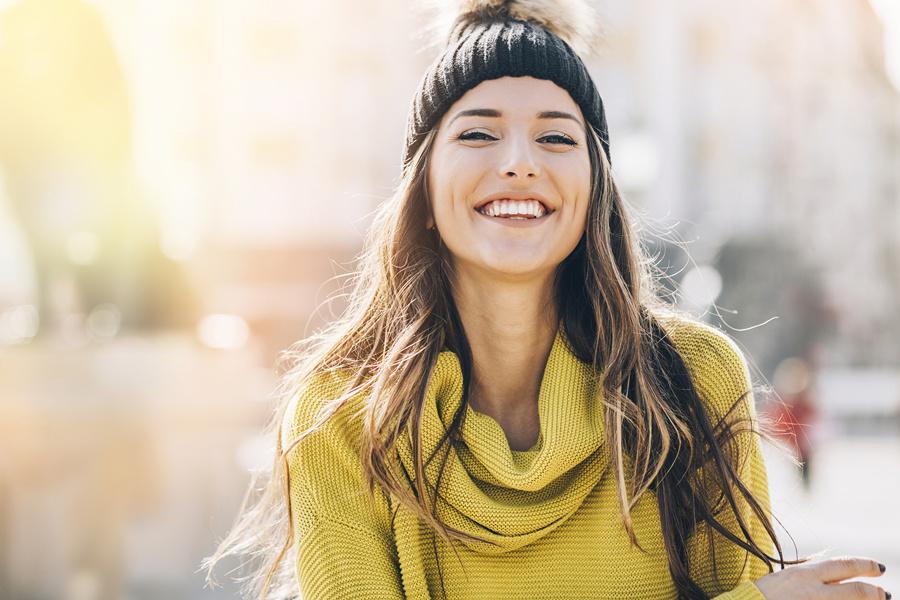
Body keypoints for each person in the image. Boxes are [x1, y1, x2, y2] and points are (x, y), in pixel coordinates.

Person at [203, 1, 890, 598]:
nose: (520, 161)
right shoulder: (337, 418)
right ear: (424, 187)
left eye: (557, 137)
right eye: (478, 132)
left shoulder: (696, 379)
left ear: (593, 191)